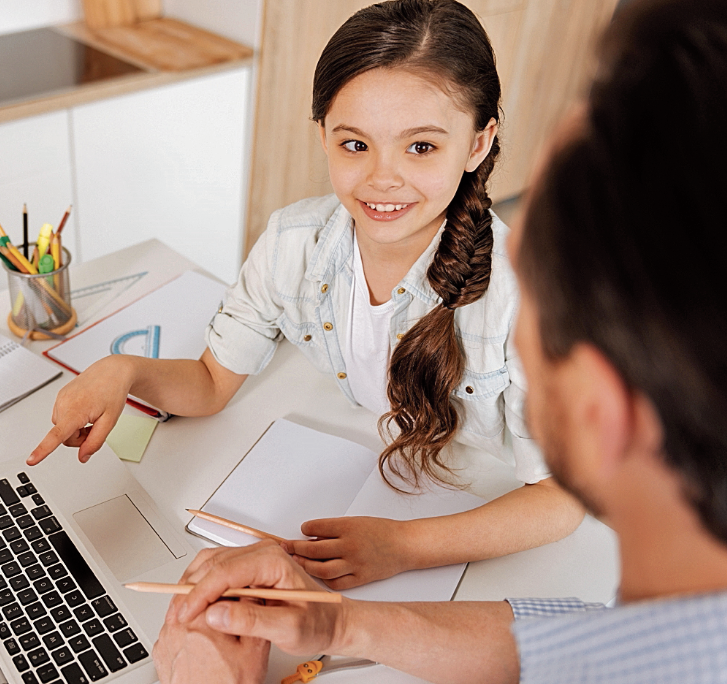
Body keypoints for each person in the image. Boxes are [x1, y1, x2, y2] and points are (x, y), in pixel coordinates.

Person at [152, 0, 727, 682]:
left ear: (601, 408)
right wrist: (339, 624)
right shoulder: (668, 637)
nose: (384, 175)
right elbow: (573, 643)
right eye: (355, 142)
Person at [30, 0, 584, 590]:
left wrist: (404, 546)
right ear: (322, 136)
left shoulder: (525, 296)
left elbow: (562, 498)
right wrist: (124, 371)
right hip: (369, 468)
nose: (382, 178)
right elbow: (214, 383)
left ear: (477, 143)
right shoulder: (293, 244)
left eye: (421, 147)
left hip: (474, 516)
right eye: (355, 144)